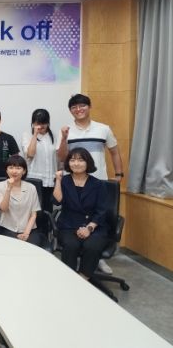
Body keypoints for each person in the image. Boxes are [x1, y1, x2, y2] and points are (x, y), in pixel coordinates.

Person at [57, 93, 123, 274]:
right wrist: (63, 138)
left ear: (89, 107)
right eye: (74, 107)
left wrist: (118, 175)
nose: (78, 109)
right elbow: (62, 157)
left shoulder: (103, 129)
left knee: (99, 216)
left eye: (82, 106)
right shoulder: (67, 130)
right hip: (74, 181)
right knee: (75, 215)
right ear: (70, 111)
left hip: (99, 180)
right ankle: (78, 265)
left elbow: (114, 152)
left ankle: (97, 259)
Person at [53, 148, 109, 281]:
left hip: (94, 225)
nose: (76, 163)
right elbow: (57, 200)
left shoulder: (98, 184)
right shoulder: (64, 181)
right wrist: (58, 180)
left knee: (92, 246)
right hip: (69, 225)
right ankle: (69, 278)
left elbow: (102, 210)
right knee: (71, 245)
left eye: (80, 160)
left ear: (87, 162)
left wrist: (89, 228)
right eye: (72, 160)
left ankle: (84, 278)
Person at [0, 155, 42, 246]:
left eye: (18, 168)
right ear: (6, 170)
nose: (14, 171)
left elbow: (33, 214)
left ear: (24, 171)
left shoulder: (31, 188)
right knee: (13, 247)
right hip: (8, 228)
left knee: (32, 247)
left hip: (29, 229)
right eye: (11, 167)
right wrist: (8, 188)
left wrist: (26, 233)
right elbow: (4, 208)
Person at [21, 109, 58, 212]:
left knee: (47, 209)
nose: (40, 126)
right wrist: (35, 134)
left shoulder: (54, 135)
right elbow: (30, 154)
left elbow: (58, 158)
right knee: (33, 210)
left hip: (50, 180)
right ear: (33, 123)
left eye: (43, 123)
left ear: (48, 123)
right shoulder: (27, 135)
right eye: (37, 123)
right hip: (33, 179)